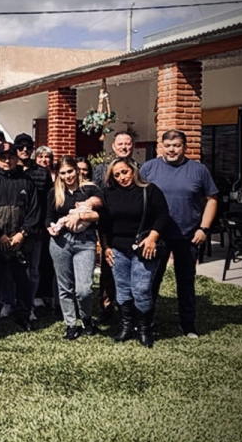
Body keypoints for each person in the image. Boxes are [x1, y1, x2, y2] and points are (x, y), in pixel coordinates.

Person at [140, 130, 218, 338]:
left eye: (176, 145)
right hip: (156, 236)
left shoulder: (198, 170)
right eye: (168, 145)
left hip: (188, 235)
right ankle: (147, 320)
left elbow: (212, 199)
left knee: (185, 281)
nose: (172, 149)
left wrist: (204, 229)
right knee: (150, 280)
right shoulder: (149, 168)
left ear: (184, 146)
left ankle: (188, 324)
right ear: (161, 147)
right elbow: (138, 197)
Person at [100, 157, 170, 347]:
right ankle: (126, 327)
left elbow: (163, 216)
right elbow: (104, 224)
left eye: (125, 172)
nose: (122, 177)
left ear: (133, 170)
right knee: (122, 290)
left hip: (143, 249)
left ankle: (144, 328)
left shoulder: (150, 190)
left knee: (141, 289)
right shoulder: (108, 194)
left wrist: (153, 238)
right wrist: (106, 247)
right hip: (117, 249)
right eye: (117, 175)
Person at [0, 140, 39, 332]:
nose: (7, 161)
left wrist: (23, 233)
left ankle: (23, 316)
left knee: (23, 282)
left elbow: (34, 211)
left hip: (20, 242)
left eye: (11, 156)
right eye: (3, 157)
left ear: (16, 157)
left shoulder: (26, 180)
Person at [47, 157, 103, 340]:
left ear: (77, 170)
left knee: (84, 289)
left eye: (70, 171)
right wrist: (51, 227)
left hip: (85, 241)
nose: (67, 176)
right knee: (65, 287)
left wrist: (81, 215)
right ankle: (70, 323)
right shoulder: (55, 193)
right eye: (63, 173)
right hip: (61, 241)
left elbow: (102, 212)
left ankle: (86, 318)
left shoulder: (89, 190)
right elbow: (48, 217)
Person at [92, 133, 138, 324]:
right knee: (108, 270)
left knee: (133, 272)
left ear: (132, 146)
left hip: (133, 227)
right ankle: (107, 307)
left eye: (128, 144)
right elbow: (95, 194)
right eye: (120, 144)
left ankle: (131, 310)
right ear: (113, 146)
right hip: (109, 226)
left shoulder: (139, 168)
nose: (124, 147)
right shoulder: (101, 169)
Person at [14, 133, 51, 319]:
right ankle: (10, 302)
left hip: (36, 229)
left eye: (28, 146)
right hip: (14, 228)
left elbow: (47, 201)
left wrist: (45, 225)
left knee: (34, 270)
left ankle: (29, 305)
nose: (24, 150)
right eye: (20, 147)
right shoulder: (11, 169)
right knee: (13, 270)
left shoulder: (42, 172)